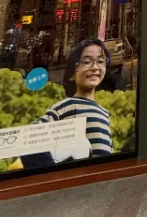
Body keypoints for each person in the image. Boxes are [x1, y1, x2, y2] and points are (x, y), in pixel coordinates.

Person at [21, 38, 113, 168]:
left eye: (100, 61)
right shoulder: (67, 105)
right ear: (72, 74)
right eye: (87, 62)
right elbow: (30, 137)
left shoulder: (105, 112)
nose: (95, 67)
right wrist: (53, 170)